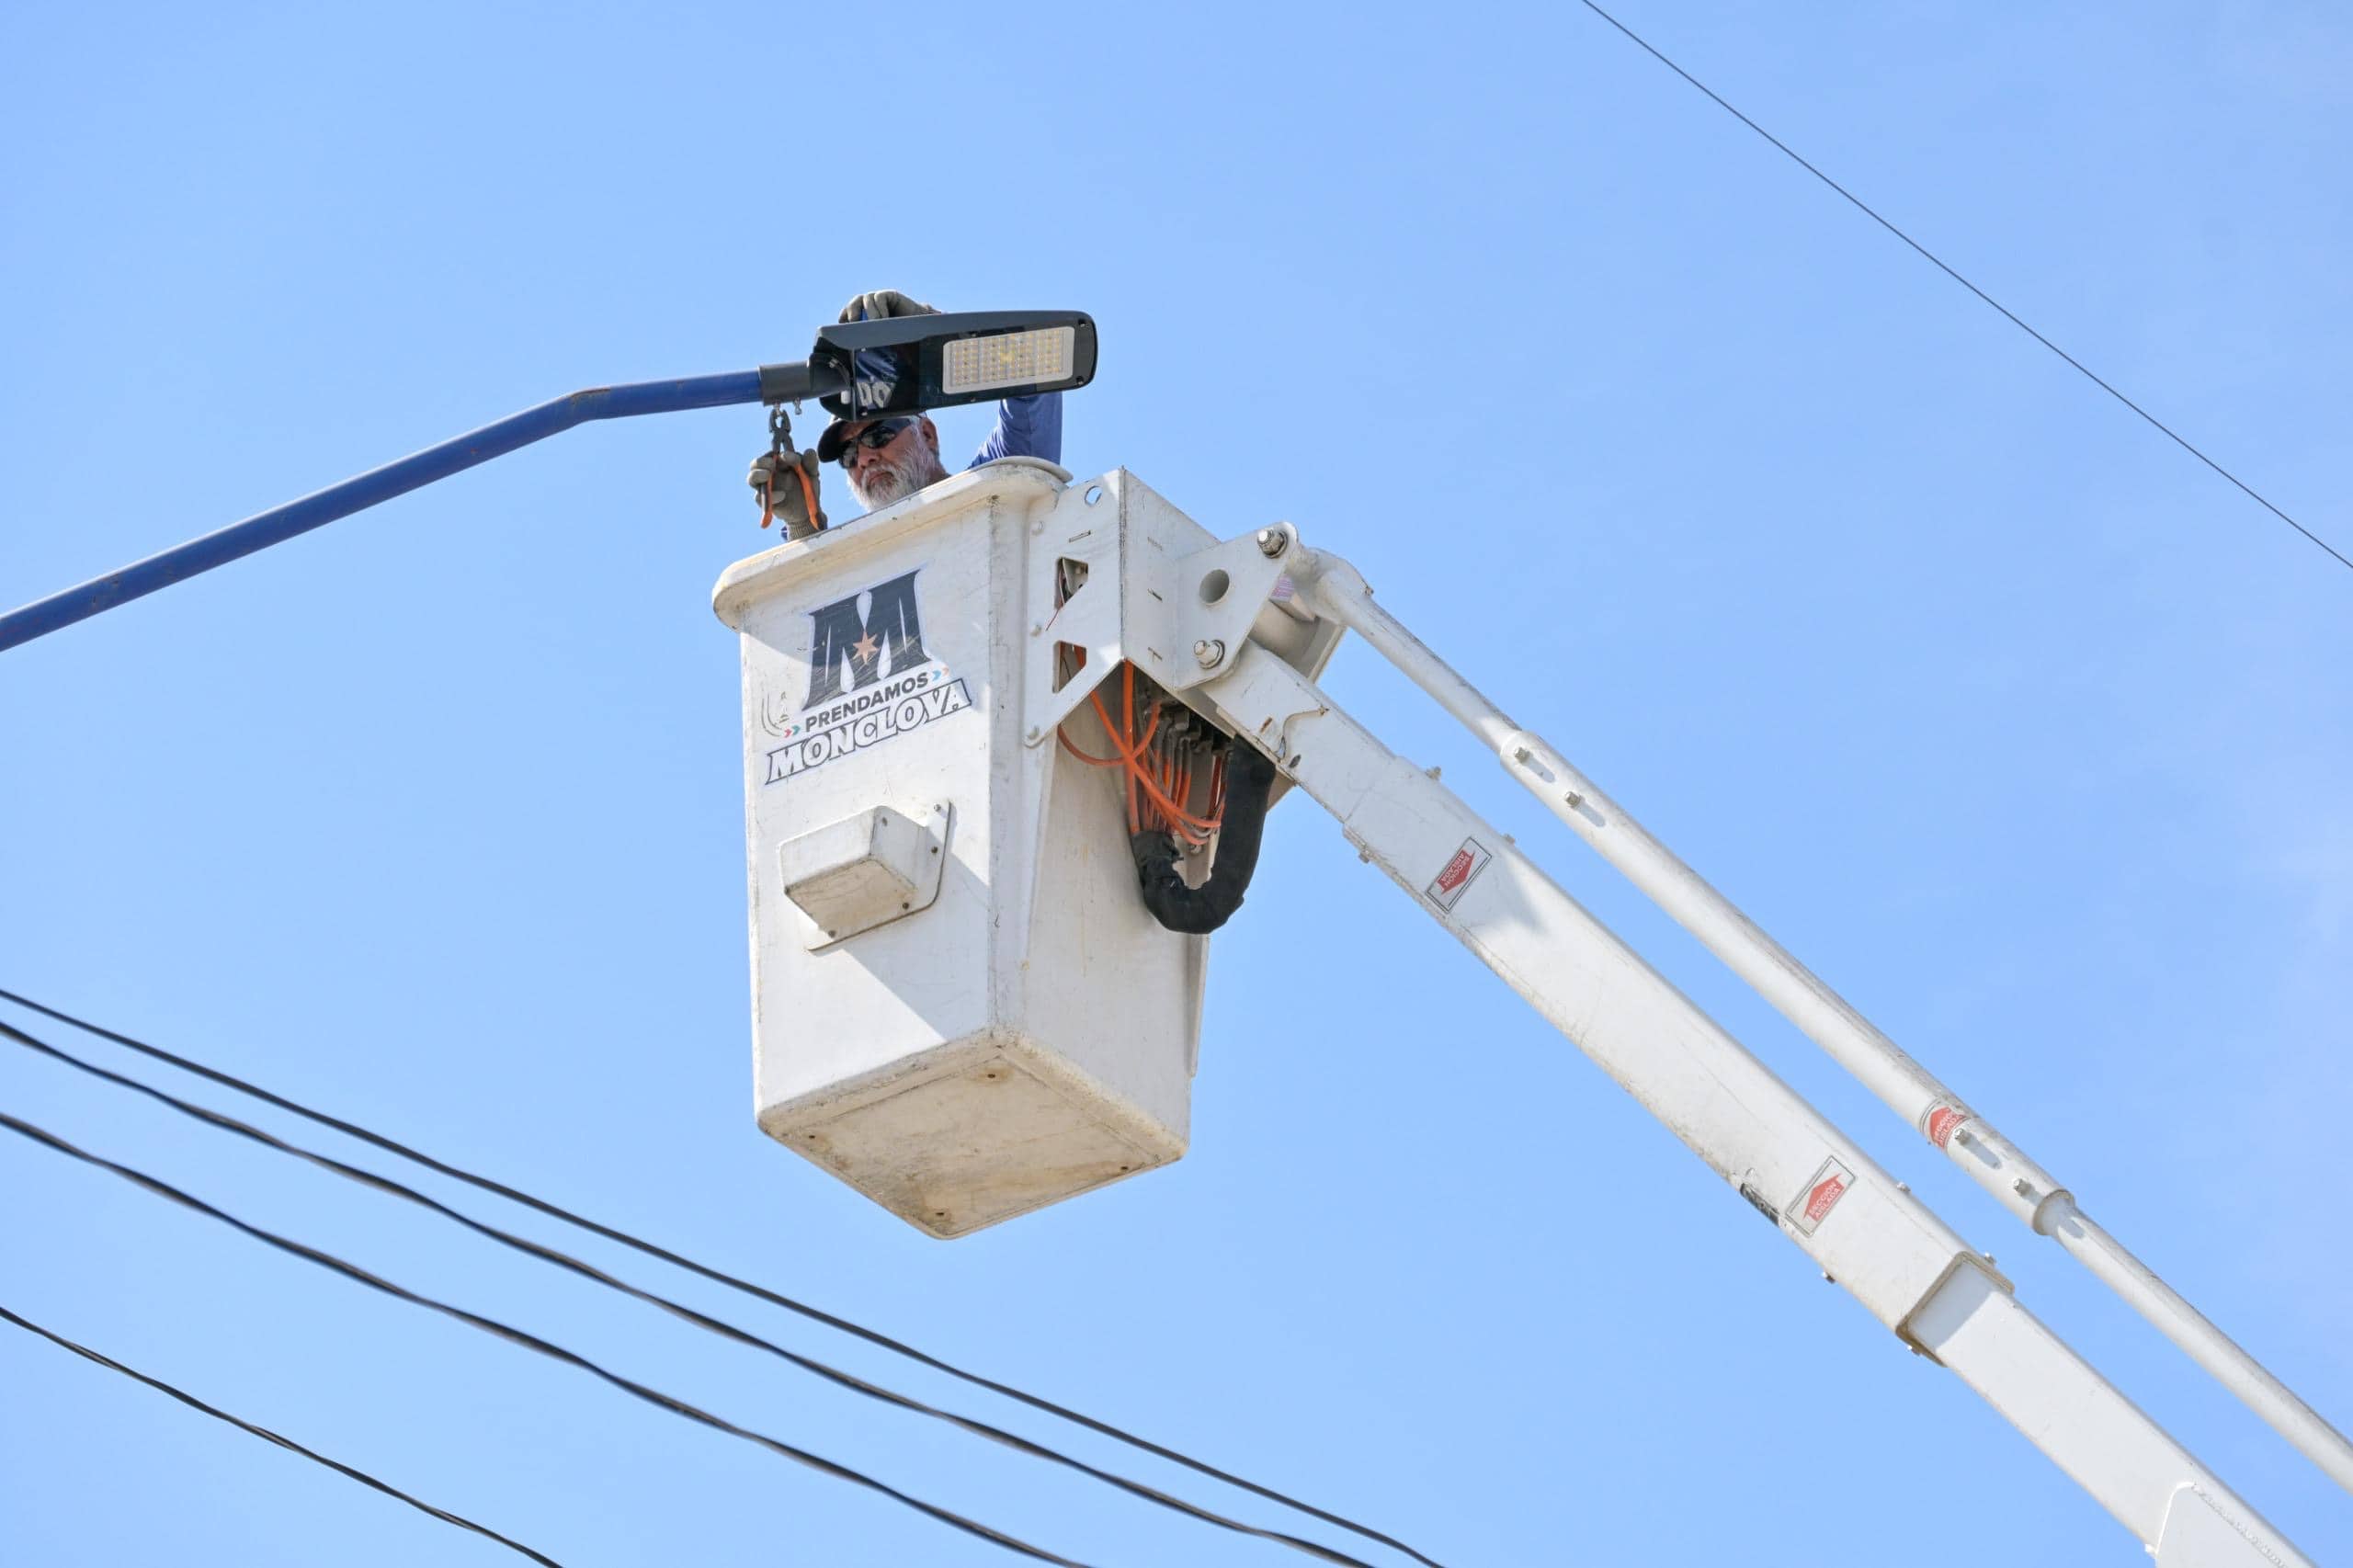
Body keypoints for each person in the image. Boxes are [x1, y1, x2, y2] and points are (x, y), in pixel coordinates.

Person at [756, 290, 1063, 538]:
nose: (864, 459)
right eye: (848, 455)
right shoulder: (863, 565)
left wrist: (940, 340)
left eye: (878, 435)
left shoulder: (997, 487)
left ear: (927, 434)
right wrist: (803, 527)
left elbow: (1034, 371)